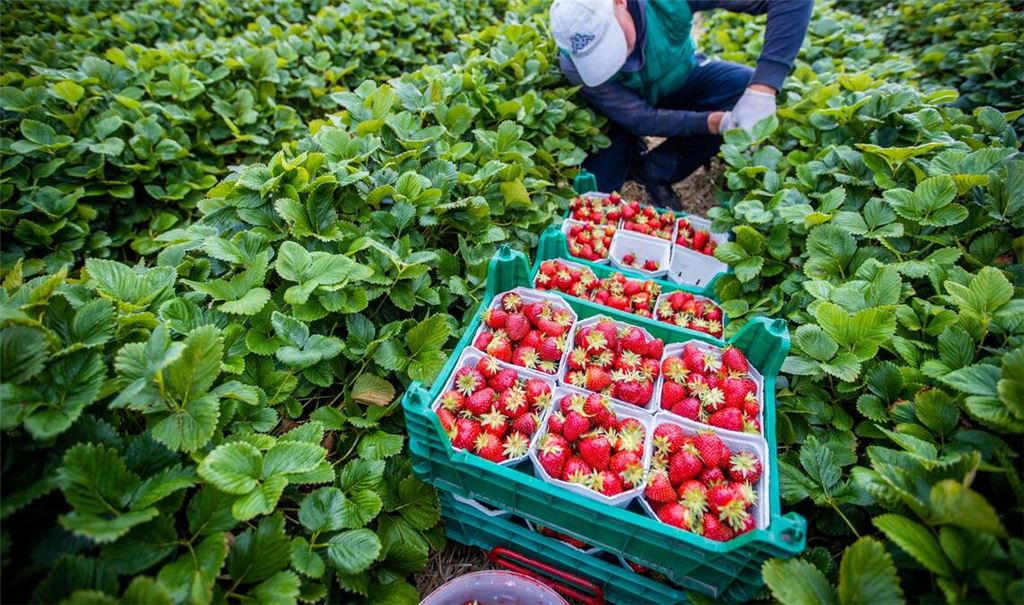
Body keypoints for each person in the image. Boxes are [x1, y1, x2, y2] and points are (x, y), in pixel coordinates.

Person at [549, 0, 812, 209]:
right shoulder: (573, 64)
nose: (615, 59)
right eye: (597, 56)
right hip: (620, 113)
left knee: (740, 87)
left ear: (620, 2)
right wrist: (711, 122)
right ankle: (629, 150)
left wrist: (763, 88)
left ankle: (654, 170)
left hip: (681, 77)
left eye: (613, 40)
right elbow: (638, 117)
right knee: (596, 191)